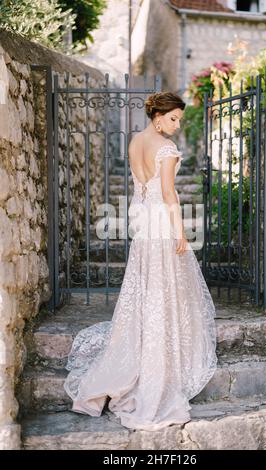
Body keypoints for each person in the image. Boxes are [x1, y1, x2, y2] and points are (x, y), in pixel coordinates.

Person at [63, 92, 217, 431]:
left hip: (145, 226)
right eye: (174, 118)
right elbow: (168, 193)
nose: (177, 125)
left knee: (149, 290)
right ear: (158, 116)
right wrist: (180, 231)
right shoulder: (165, 149)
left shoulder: (135, 142)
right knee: (163, 291)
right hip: (161, 224)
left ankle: (143, 352)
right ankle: (158, 367)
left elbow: (140, 192)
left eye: (180, 119)